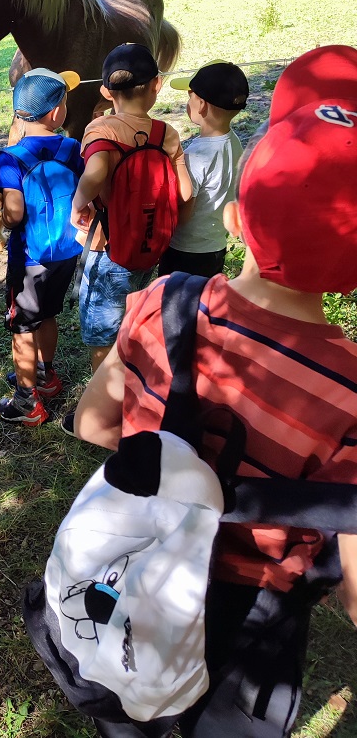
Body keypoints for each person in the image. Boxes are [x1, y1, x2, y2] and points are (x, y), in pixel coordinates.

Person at [70, 43, 357, 738]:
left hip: (137, 584)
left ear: (238, 220)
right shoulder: (348, 389)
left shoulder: (165, 303)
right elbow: (353, 587)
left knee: (131, 714)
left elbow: (92, 424)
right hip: (250, 623)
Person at [70, 43, 193, 376]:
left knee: (101, 336)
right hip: (149, 246)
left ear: (106, 93)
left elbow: (95, 173)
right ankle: (134, 383)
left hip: (108, 249)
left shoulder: (102, 130)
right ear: (156, 84)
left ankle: (107, 398)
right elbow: (186, 191)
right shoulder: (166, 133)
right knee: (132, 317)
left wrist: (77, 202)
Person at [0, 68, 85, 426]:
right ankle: (46, 376)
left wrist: (2, 215)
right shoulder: (71, 147)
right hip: (66, 252)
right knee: (48, 315)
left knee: (22, 326)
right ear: (57, 113)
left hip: (29, 259)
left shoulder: (11, 156)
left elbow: (14, 214)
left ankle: (26, 402)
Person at [158, 60, 249, 278]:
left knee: (177, 308)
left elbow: (185, 212)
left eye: (190, 96)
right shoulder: (234, 141)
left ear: (202, 105)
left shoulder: (196, 156)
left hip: (186, 250)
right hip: (215, 246)